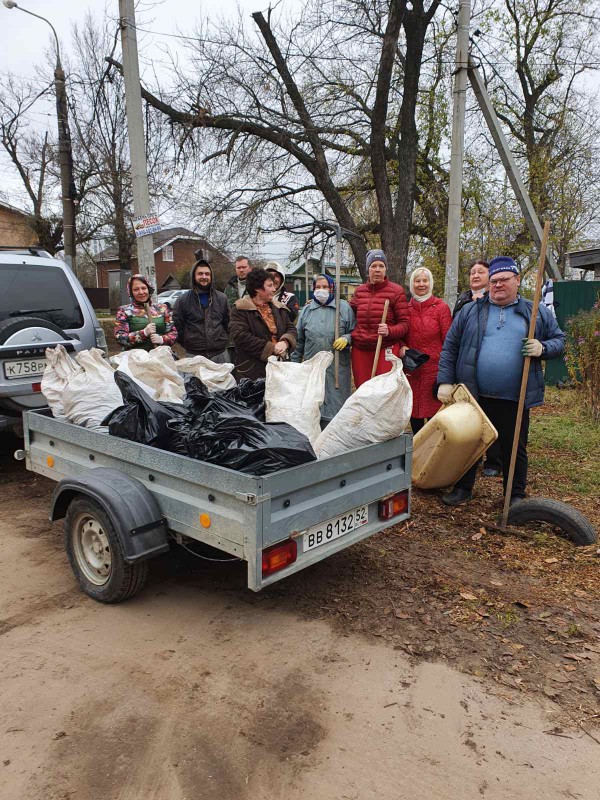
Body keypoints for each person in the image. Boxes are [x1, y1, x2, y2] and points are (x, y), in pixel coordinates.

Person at [436, 256, 565, 507]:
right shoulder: (470, 311)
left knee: (514, 447)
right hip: (474, 394)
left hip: (514, 396)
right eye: (493, 281)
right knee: (468, 442)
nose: (497, 285)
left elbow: (560, 340)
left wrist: (542, 347)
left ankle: (514, 495)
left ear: (517, 280)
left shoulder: (534, 311)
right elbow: (450, 347)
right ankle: (463, 488)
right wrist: (445, 381)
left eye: (504, 280)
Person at [452, 257, 501, 476]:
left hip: (490, 366)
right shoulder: (463, 300)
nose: (475, 275)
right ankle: (469, 461)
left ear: (490, 277)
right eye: (472, 272)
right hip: (467, 364)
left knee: (492, 415)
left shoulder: (497, 301)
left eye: (480, 272)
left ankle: (494, 460)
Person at [291, 274, 356, 420]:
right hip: (312, 368)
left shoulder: (343, 308)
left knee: (337, 409)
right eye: (318, 287)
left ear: (332, 288)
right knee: (313, 408)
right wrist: (294, 368)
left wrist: (347, 338)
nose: (321, 290)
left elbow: (355, 331)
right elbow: (299, 341)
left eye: (325, 287)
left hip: (337, 368)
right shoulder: (306, 311)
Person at [400, 268, 451, 434]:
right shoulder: (406, 309)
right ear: (412, 284)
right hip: (412, 371)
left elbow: (448, 341)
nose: (421, 284)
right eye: (417, 281)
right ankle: (417, 454)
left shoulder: (441, 308)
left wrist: (447, 374)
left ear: (430, 283)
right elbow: (400, 332)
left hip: (434, 371)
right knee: (414, 415)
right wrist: (402, 346)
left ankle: (434, 456)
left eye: (425, 280)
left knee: (434, 420)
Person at [350, 249, 410, 388]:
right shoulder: (359, 292)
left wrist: (389, 330)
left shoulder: (396, 291)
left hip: (385, 347)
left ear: (385, 269)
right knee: (363, 391)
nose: (377, 270)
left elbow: (405, 324)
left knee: (384, 391)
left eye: (381, 266)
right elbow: (347, 313)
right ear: (368, 269)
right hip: (361, 349)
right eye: (373, 266)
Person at [229, 268, 297, 380]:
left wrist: (285, 342)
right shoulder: (240, 309)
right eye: (270, 286)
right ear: (257, 289)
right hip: (252, 372)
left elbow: (291, 328)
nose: (274, 289)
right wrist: (271, 349)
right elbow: (241, 337)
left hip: (280, 369)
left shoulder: (278, 307)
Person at [172, 259, 230, 362]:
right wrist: (189, 341)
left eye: (207, 274)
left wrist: (220, 339)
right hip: (194, 356)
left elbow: (227, 323)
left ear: (211, 277)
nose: (204, 277)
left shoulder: (222, 298)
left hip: (220, 355)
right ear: (194, 276)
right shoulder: (183, 300)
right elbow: (178, 326)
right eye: (200, 274)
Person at [114, 274, 177, 352]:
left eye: (144, 288)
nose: (141, 292)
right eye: (136, 289)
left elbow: (173, 333)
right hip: (135, 359)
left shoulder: (162, 308)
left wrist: (161, 339)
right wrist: (143, 333)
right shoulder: (124, 311)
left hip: (161, 358)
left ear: (149, 289)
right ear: (131, 292)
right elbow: (120, 339)